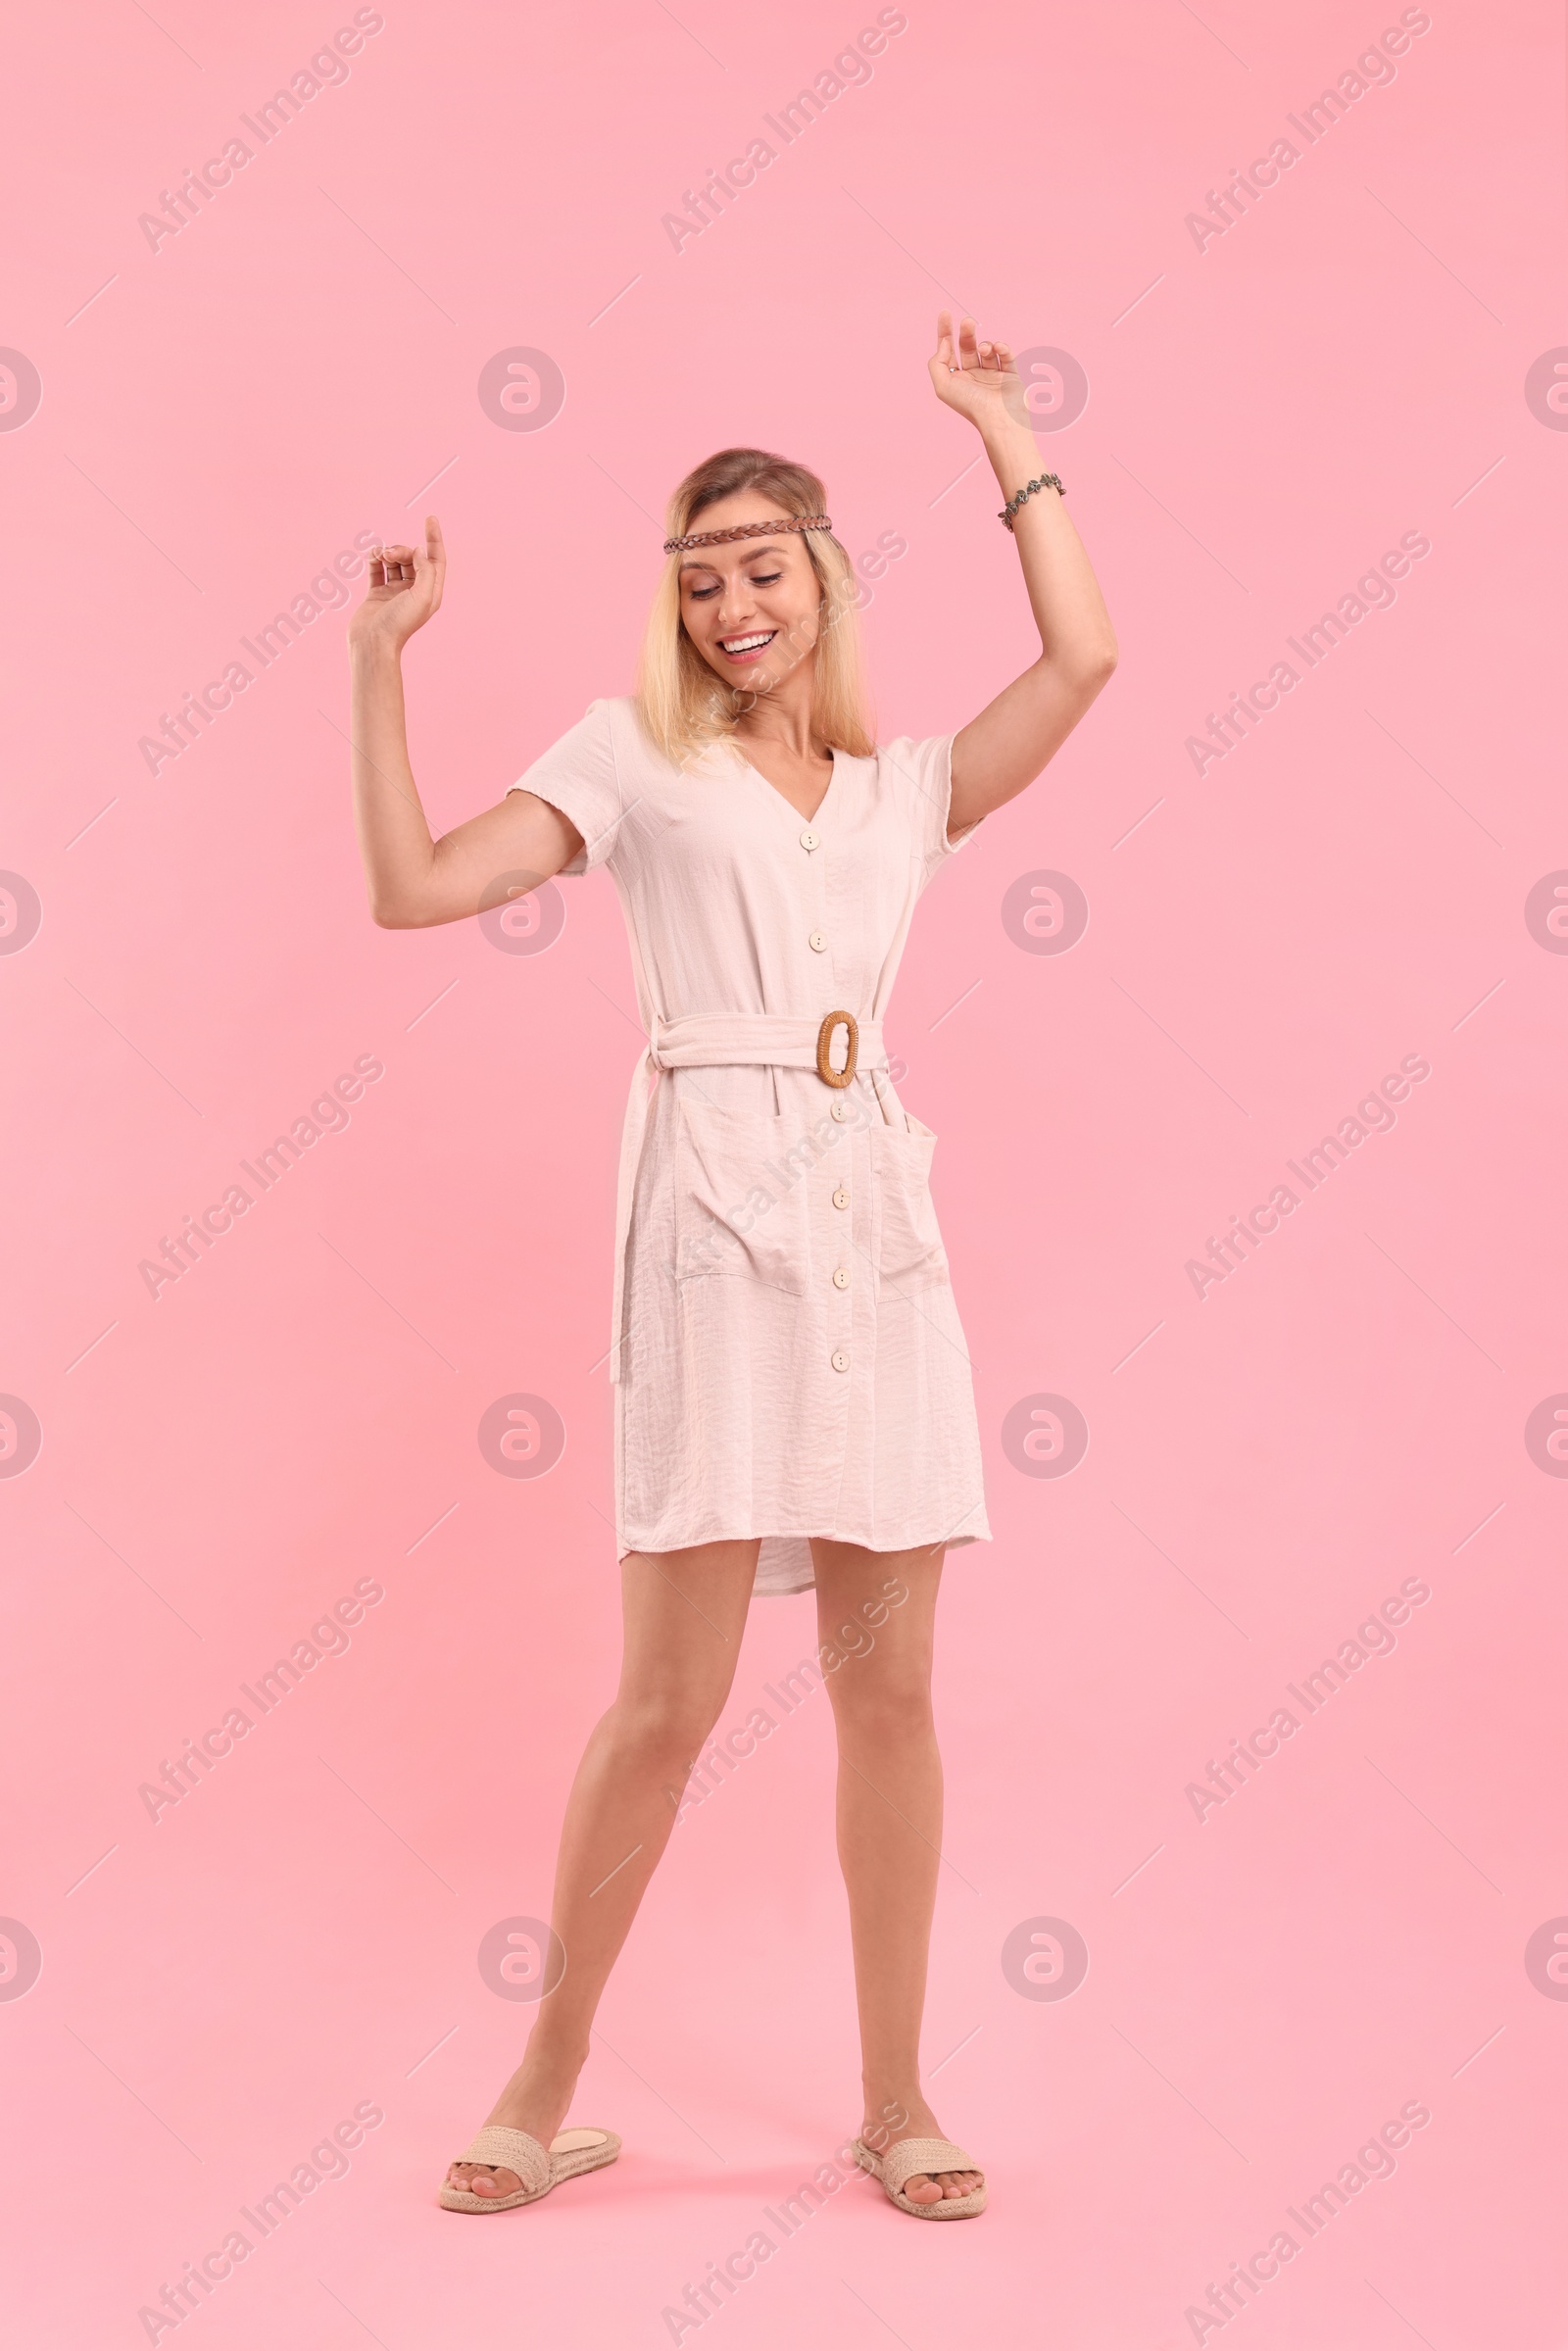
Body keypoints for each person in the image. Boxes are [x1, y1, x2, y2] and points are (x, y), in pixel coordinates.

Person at [346, 313, 1116, 2221]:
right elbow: (415, 885)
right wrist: (377, 668)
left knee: (890, 1696)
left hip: (870, 1228)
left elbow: (1084, 653)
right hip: (705, 1220)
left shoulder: (901, 794)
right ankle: (543, 2080)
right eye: (697, 583)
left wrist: (1000, 423)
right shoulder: (629, 759)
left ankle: (895, 2097)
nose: (727, 609)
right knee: (664, 1704)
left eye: (759, 571)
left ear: (822, 581)